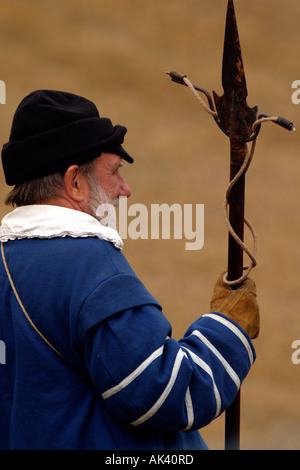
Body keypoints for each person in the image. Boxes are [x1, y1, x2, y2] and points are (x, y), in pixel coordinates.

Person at [0, 90, 259, 450]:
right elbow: (163, 392)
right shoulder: (86, 263)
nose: (126, 189)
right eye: (114, 173)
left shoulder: (7, 259)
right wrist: (228, 329)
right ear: (74, 182)